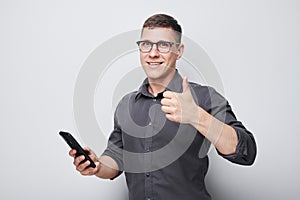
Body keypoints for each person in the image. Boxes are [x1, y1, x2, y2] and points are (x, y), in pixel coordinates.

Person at [69, 14, 257, 200]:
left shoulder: (204, 98)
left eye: (163, 45)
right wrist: (97, 167)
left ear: (179, 51)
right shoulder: (125, 105)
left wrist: (196, 116)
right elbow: (116, 159)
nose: (153, 53)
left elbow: (246, 151)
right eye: (146, 44)